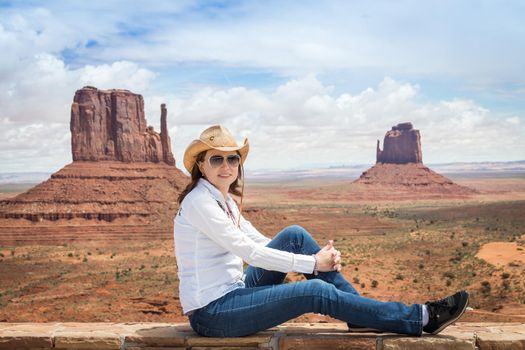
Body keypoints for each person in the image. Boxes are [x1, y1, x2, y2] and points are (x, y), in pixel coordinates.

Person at [173, 124, 469, 338]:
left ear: (239, 163)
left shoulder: (221, 199)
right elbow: (248, 252)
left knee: (294, 236)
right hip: (213, 313)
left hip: (235, 293)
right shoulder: (200, 202)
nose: (226, 165)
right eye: (216, 159)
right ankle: (421, 318)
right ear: (201, 164)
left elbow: (258, 241)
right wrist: (314, 264)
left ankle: (356, 314)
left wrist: (316, 256)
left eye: (232, 158)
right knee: (315, 291)